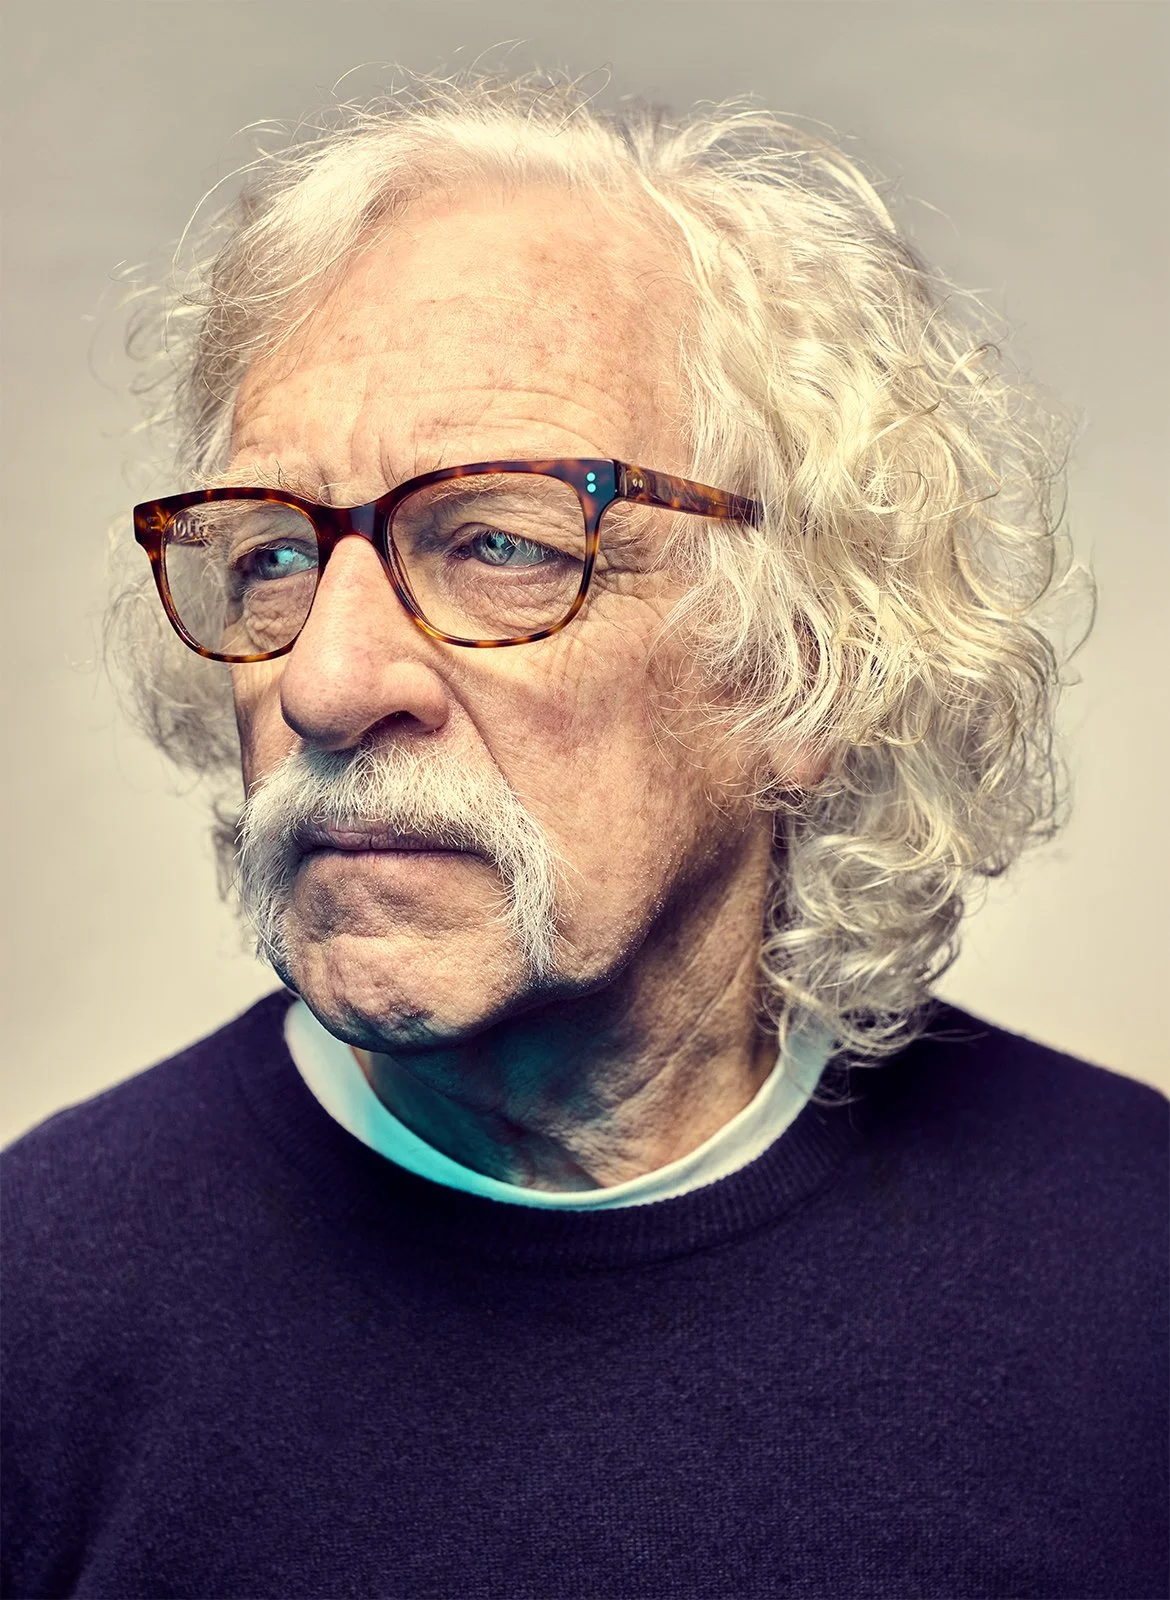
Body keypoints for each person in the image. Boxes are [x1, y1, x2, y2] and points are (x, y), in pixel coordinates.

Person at [2, 71, 1165, 1600]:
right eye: (274, 553)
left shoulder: (1134, 1268)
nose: (328, 679)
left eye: (498, 544)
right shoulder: (37, 1299)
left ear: (804, 660)